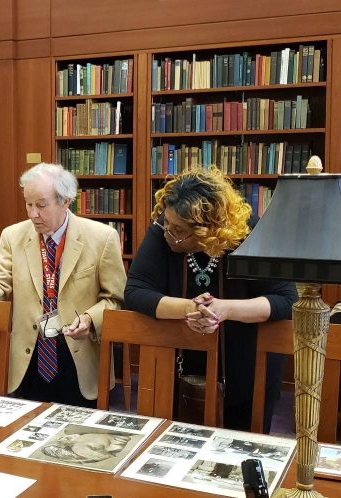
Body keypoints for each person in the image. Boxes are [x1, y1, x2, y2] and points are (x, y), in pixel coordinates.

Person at [0, 163, 126, 407]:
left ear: (66, 201)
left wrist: (90, 319)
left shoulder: (101, 238)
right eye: (28, 204)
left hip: (77, 354)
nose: (33, 213)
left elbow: (115, 298)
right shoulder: (13, 236)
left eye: (41, 205)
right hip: (29, 354)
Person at [123, 167, 297, 432]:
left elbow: (285, 301)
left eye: (179, 229)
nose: (168, 232)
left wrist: (223, 309)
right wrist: (190, 308)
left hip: (247, 364)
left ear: (210, 230)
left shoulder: (252, 234)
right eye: (166, 223)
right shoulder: (164, 228)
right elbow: (134, 292)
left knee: (241, 448)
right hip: (179, 362)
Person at [39, 428, 131, 464]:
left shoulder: (76, 433)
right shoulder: (78, 447)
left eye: (62, 438)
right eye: (62, 440)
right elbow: (105, 456)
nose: (63, 438)